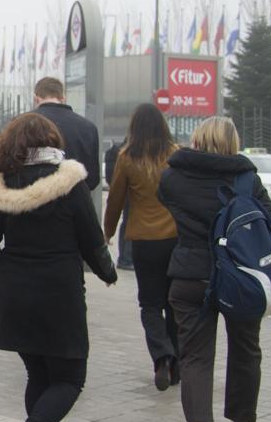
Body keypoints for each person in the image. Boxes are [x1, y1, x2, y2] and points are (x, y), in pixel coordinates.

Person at [0, 112, 116, 422]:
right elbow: (91, 237)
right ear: (52, 141)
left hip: (15, 294)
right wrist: (108, 272)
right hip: (59, 293)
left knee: (38, 375)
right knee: (70, 378)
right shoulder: (68, 182)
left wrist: (7, 268)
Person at [158, 116, 271, 422]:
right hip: (239, 278)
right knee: (245, 349)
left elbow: (166, 201)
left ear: (198, 137)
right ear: (232, 142)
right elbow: (269, 223)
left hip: (191, 275)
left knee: (195, 355)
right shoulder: (246, 179)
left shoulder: (173, 176)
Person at [103, 104, 180, 392]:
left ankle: (161, 356)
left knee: (150, 304)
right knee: (175, 304)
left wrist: (108, 233)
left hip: (144, 242)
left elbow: (116, 200)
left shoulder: (127, 157)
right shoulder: (175, 154)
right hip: (175, 238)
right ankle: (177, 366)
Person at [32, 77, 99, 191]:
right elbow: (92, 179)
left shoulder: (20, 124)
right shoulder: (88, 127)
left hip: (32, 202)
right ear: (63, 99)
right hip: (74, 203)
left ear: (36, 99)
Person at [103, 140, 134, 269]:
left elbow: (114, 201)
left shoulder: (122, 152)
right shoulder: (126, 154)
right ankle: (126, 259)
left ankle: (125, 259)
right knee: (128, 221)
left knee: (127, 222)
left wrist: (108, 231)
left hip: (127, 194)